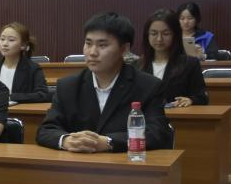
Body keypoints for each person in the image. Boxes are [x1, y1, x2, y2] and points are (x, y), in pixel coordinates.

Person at [36, 12, 173, 152]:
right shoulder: (68, 86)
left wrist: (109, 142)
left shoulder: (148, 86)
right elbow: (46, 130)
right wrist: (66, 140)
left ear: (124, 49)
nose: (92, 52)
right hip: (78, 164)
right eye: (88, 43)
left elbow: (157, 133)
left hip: (125, 164)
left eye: (102, 45)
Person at [140, 9, 208, 107]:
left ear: (175, 35)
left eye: (166, 34)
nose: (159, 39)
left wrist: (191, 100)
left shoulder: (190, 64)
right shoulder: (138, 65)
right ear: (147, 35)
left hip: (177, 115)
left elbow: (203, 98)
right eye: (154, 33)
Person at [0, 22, 51, 103]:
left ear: (23, 45)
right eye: (2, 39)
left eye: (11, 40)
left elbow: (43, 95)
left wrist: (10, 97)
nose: (5, 44)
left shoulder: (32, 69)